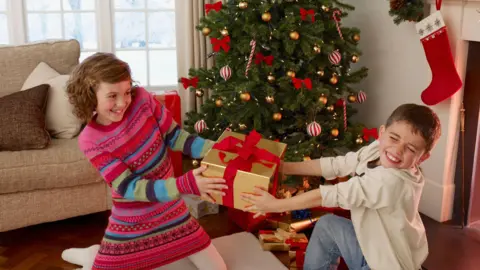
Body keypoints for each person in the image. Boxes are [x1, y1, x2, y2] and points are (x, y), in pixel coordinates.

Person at [61, 53, 228, 270]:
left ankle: (95, 254)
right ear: (90, 96)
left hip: (172, 211)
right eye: (112, 96)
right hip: (132, 221)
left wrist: (217, 150)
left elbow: (176, 137)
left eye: (127, 92)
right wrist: (185, 184)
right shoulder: (90, 140)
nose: (122, 103)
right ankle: (93, 255)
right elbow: (129, 187)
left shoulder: (142, 99)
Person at [241, 104, 441, 270]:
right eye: (394, 138)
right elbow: (336, 165)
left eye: (410, 148)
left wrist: (275, 205)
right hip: (371, 244)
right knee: (328, 225)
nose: (397, 150)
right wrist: (285, 168)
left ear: (423, 157)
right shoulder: (378, 149)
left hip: (386, 264)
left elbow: (329, 195)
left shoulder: (392, 182)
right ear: (382, 133)